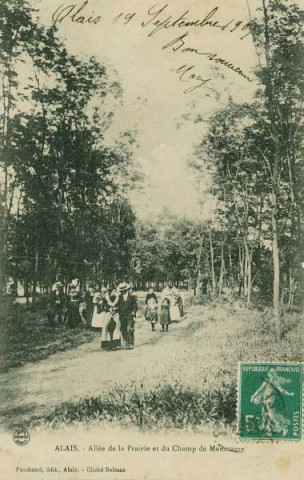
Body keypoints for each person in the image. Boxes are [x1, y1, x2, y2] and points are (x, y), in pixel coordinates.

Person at [250, 368, 294, 437]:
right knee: (265, 415)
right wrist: (253, 396)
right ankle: (269, 431)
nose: (269, 374)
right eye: (268, 373)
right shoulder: (266, 381)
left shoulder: (275, 382)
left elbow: (282, 391)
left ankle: (284, 428)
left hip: (270, 401)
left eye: (270, 373)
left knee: (271, 415)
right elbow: (259, 390)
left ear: (273, 374)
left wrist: (289, 394)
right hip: (264, 401)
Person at [117, 282, 138, 349]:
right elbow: (117, 306)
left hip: (129, 315)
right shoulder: (119, 297)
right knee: (123, 329)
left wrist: (133, 312)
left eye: (124, 290)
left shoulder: (132, 297)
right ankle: (126, 342)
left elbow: (135, 306)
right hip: (122, 315)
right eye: (121, 290)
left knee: (130, 329)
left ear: (126, 290)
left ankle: (131, 343)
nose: (122, 291)